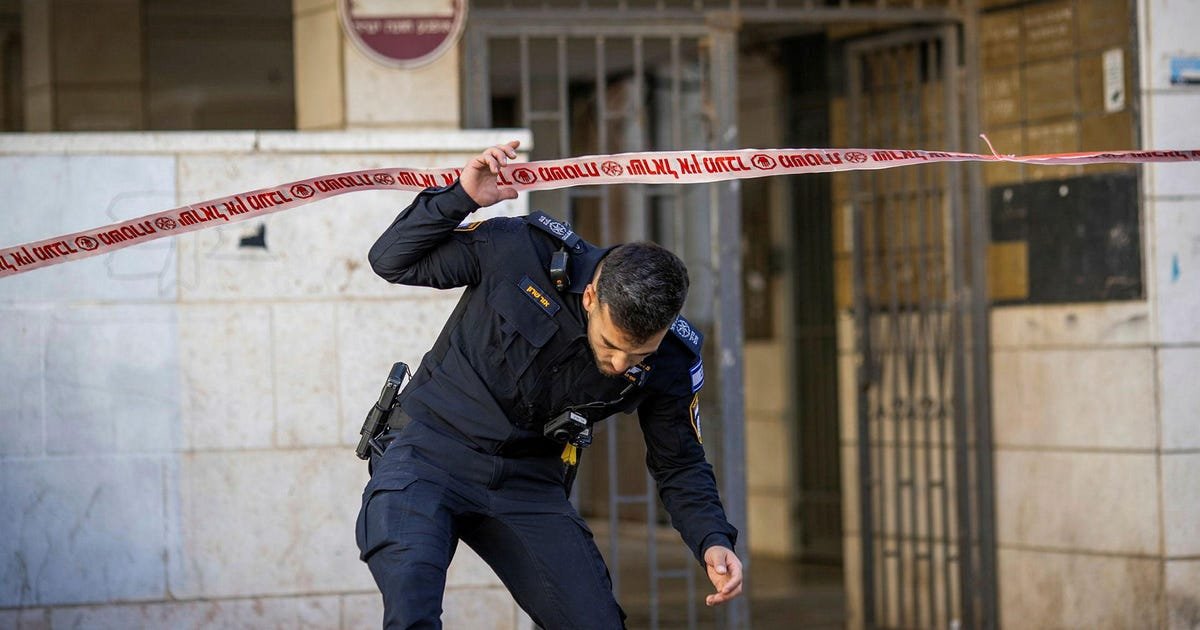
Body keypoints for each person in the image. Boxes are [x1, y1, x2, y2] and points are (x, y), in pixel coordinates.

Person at [356, 141, 743, 629]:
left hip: (528, 485)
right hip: (429, 454)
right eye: (611, 344)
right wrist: (460, 196)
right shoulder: (518, 252)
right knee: (412, 604)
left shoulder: (672, 360)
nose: (622, 363)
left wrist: (712, 538)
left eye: (638, 354)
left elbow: (679, 462)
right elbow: (392, 260)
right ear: (590, 296)